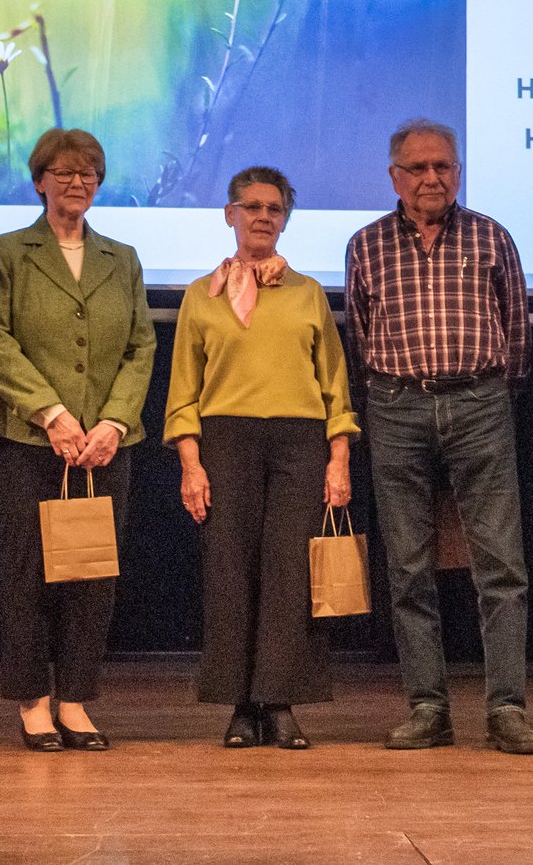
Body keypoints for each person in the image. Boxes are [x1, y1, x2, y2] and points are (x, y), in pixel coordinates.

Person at [344, 118, 533, 755]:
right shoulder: (365, 244)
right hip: (395, 407)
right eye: (418, 168)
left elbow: (517, 333)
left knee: (501, 566)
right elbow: (360, 335)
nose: (432, 178)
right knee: (407, 569)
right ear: (394, 177)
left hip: (480, 402)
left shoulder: (492, 236)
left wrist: (487, 392)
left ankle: (506, 709)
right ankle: (427, 708)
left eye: (443, 167)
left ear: (458, 172)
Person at [0, 128, 156, 752]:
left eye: (89, 173)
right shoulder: (7, 251)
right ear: (39, 181)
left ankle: (75, 700)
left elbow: (141, 346)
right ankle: (33, 703)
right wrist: (51, 414)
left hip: (104, 447)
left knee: (91, 579)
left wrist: (114, 423)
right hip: (29, 443)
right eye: (64, 172)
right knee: (26, 577)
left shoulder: (122, 258)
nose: (77, 182)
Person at [166, 167, 359, 750]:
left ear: (285, 220)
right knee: (229, 572)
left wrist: (339, 458)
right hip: (226, 441)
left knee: (290, 573)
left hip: (300, 442)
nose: (263, 217)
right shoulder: (201, 296)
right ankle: (240, 707)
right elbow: (183, 392)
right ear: (230, 215)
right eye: (251, 207)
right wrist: (191, 464)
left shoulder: (308, 293)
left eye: (274, 209)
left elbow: (335, 385)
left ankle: (279, 703)